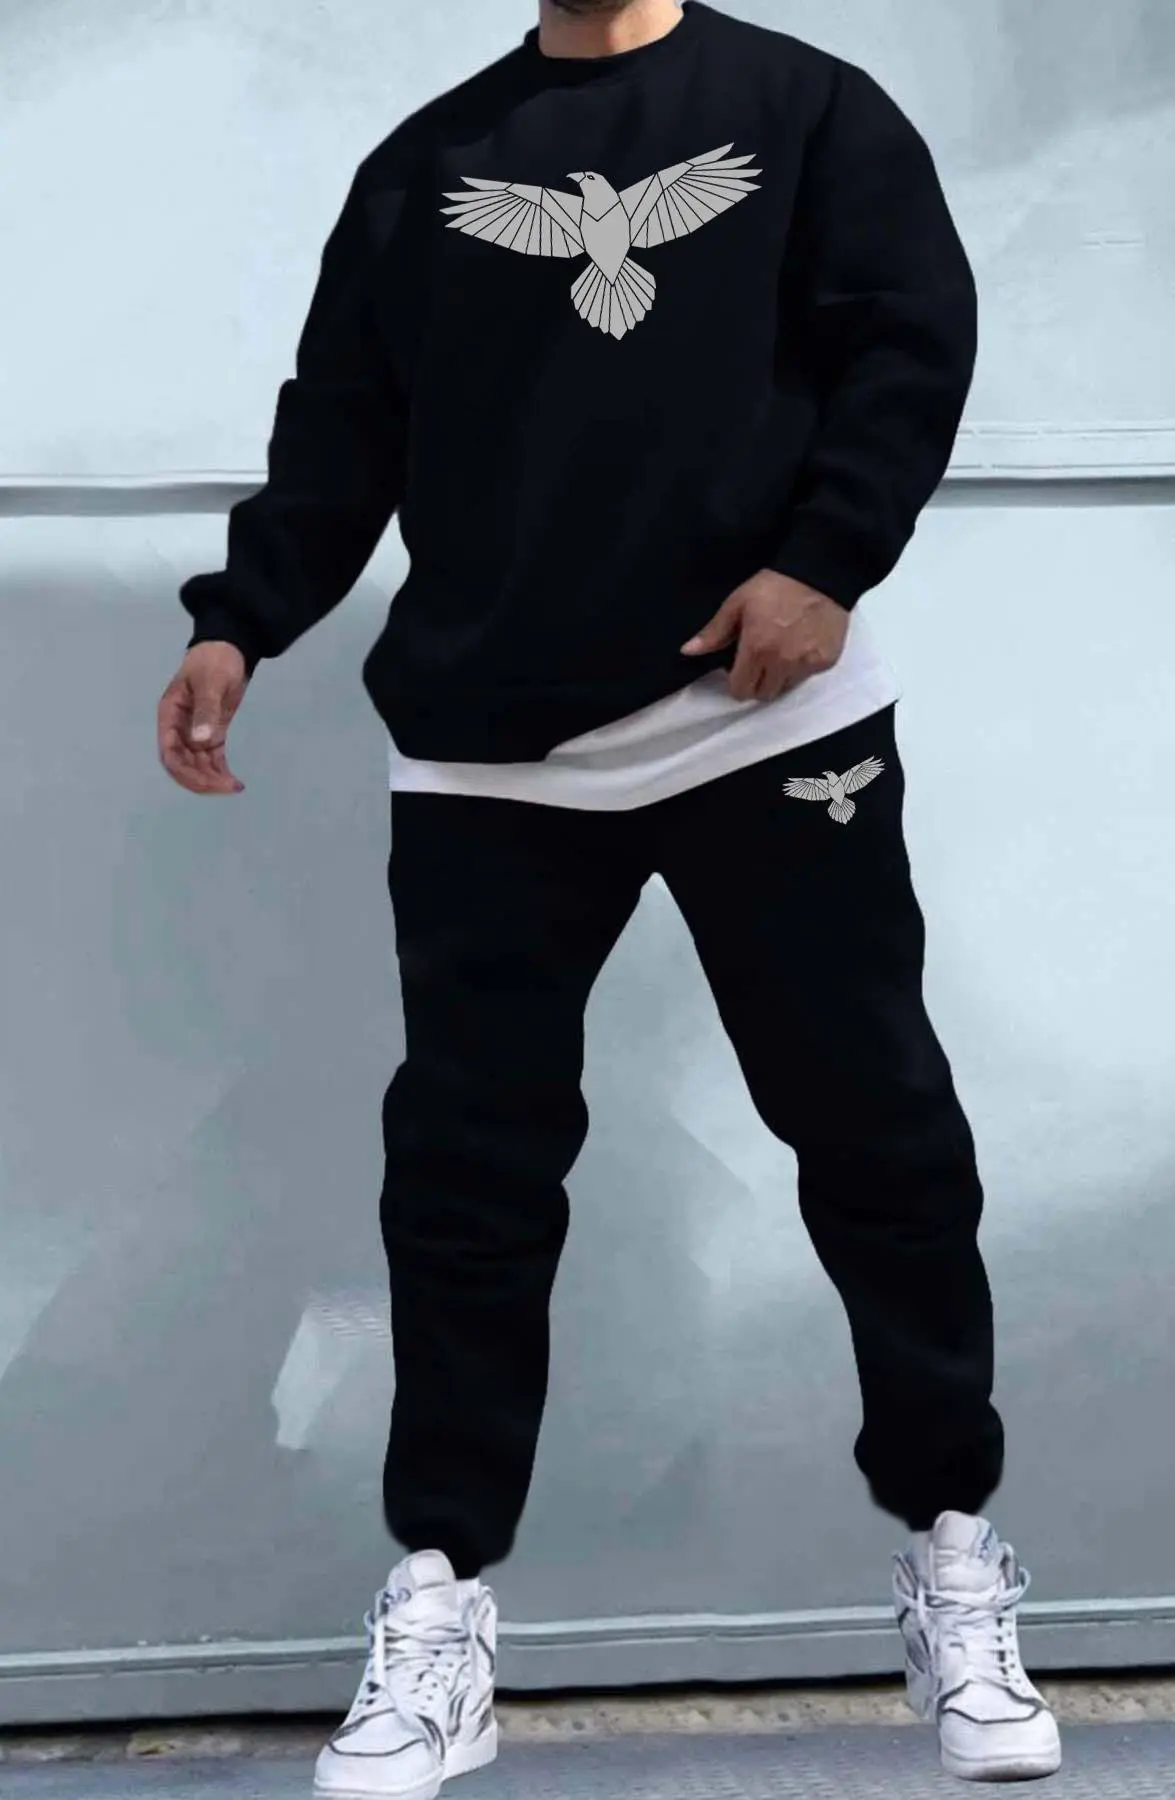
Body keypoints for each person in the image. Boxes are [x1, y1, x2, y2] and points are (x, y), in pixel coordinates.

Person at [159, 1, 1062, 1792]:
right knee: (467, 1183)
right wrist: (238, 620)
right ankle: (440, 1608)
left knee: (877, 1134)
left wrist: (824, 561)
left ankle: (953, 1556)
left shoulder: (807, 112)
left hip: (761, 717)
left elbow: (907, 345)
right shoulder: (426, 165)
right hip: (491, 754)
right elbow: (342, 423)